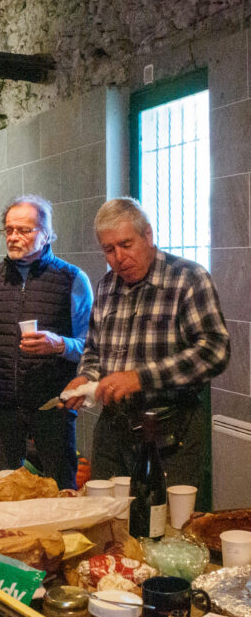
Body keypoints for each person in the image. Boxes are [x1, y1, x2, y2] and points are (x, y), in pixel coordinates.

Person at [64, 198, 229, 488]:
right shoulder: (106, 285)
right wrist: (86, 377)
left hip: (169, 432)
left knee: (161, 525)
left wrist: (141, 378)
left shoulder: (188, 279)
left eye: (126, 245)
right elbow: (93, 349)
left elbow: (215, 350)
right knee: (107, 523)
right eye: (108, 249)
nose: (118, 258)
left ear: (148, 235)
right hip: (113, 432)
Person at [0, 195, 92, 490]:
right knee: (4, 489)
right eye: (9, 230)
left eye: (24, 230)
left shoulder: (72, 278)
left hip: (51, 405)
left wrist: (59, 344)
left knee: (61, 488)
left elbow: (91, 346)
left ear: (46, 234)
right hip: (2, 404)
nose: (13, 237)